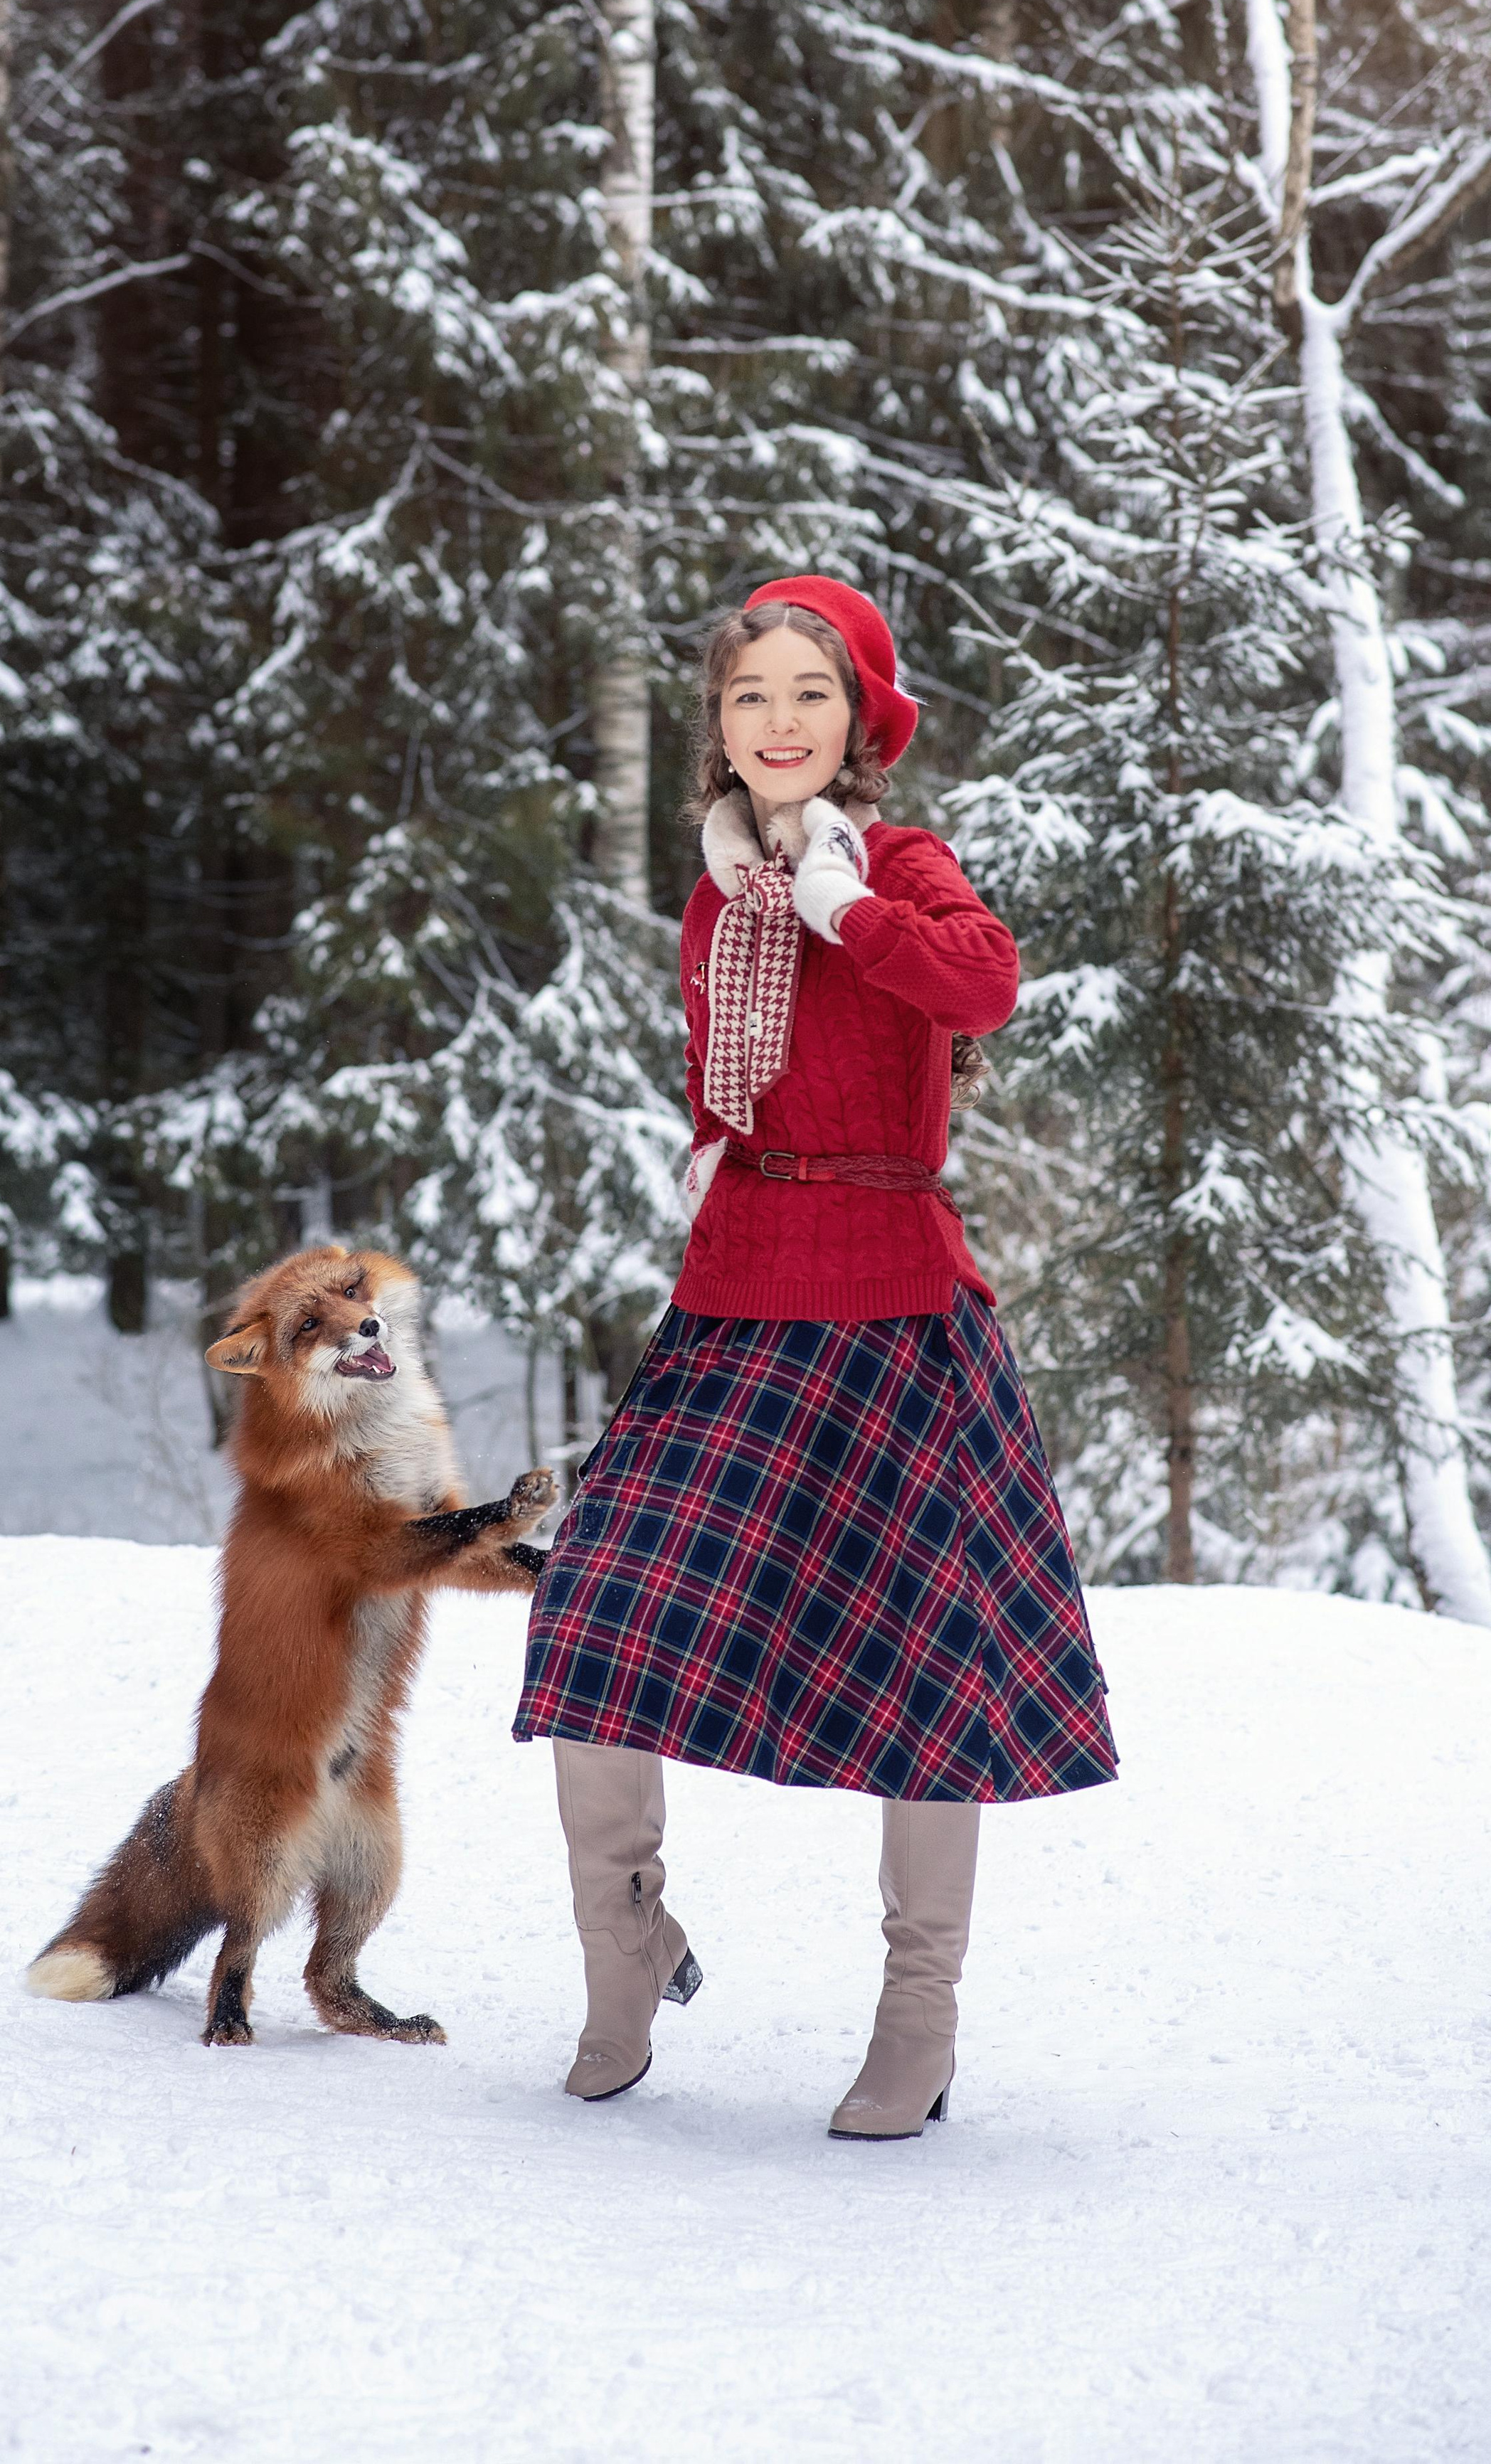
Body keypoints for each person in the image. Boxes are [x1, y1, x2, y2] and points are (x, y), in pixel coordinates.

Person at [514, 575, 1118, 2139]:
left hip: (895, 1313)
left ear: (858, 720)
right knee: (597, 1611)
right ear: (717, 731)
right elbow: (732, 1104)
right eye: (746, 697)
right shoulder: (717, 894)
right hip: (735, 1305)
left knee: (928, 1675)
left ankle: (916, 2017)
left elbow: (980, 983)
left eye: (806, 693)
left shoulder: (901, 866)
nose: (776, 722)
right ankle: (624, 1949)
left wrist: (847, 908)